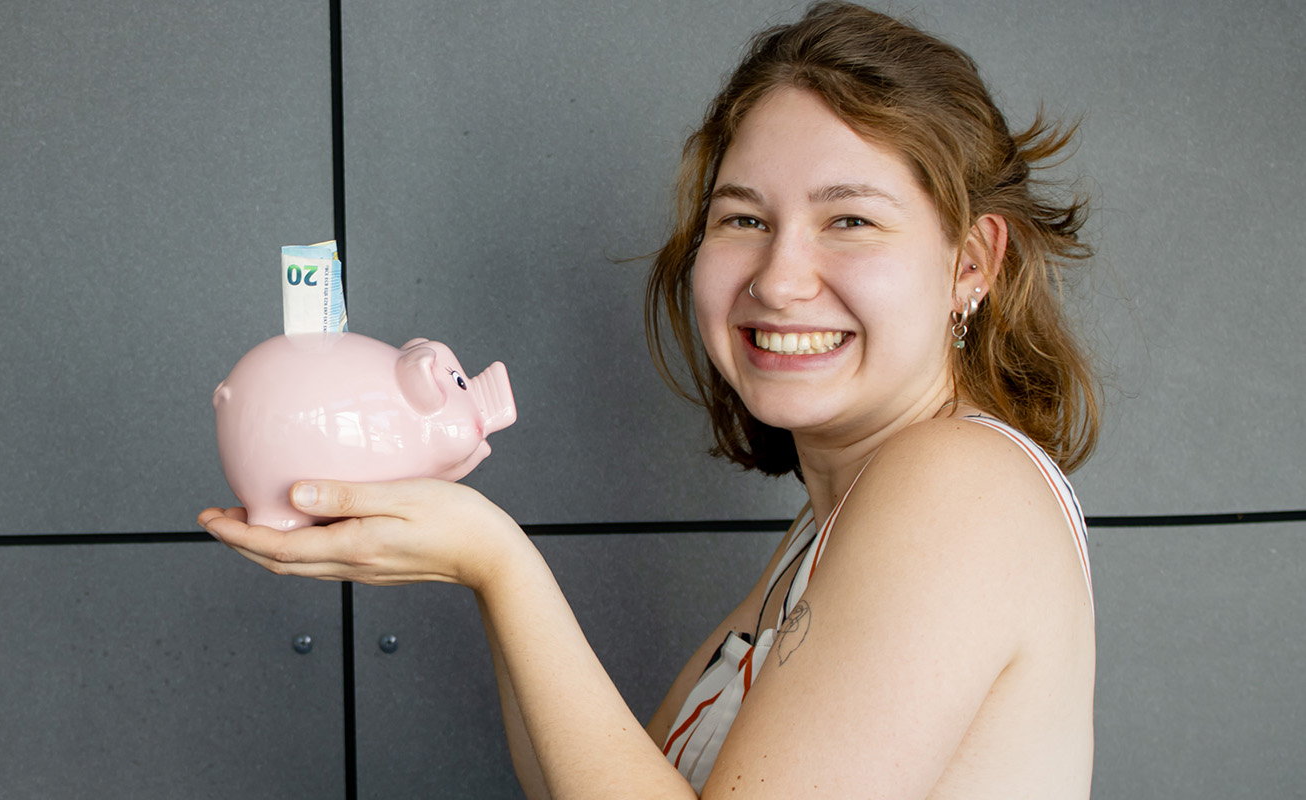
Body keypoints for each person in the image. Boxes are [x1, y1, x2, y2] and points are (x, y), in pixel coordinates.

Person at [200, 3, 1101, 797]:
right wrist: (475, 564)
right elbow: (580, 784)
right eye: (744, 219)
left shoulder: (956, 487)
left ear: (973, 263)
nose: (781, 280)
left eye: (850, 220)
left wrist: (503, 561)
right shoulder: (835, 523)